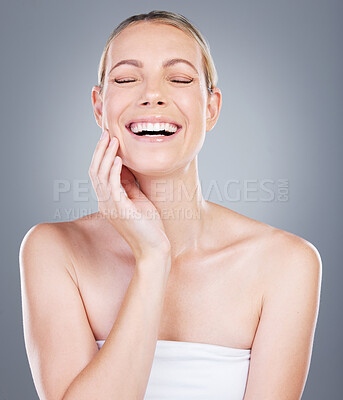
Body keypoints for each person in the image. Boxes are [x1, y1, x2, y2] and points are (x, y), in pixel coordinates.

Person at [19, 10, 322, 400]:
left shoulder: (287, 263)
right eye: (126, 79)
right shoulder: (52, 250)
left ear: (211, 108)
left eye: (178, 78)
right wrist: (152, 258)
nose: (152, 94)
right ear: (99, 106)